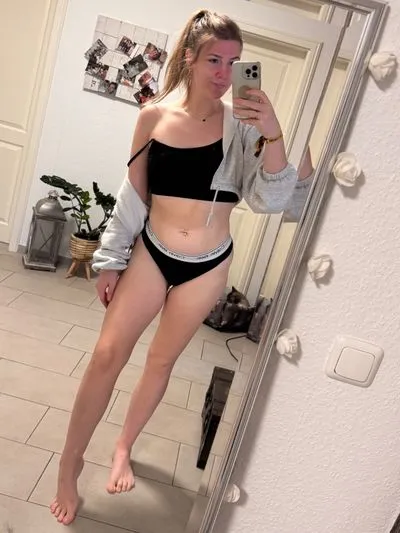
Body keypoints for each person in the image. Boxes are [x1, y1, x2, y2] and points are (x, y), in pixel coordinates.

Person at [50, 9, 312, 525]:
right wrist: (110, 261)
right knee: (106, 355)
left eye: (235, 62)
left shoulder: (244, 128)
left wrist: (273, 133)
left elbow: (272, 200)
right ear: (190, 58)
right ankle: (69, 463)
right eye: (214, 60)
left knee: (161, 362)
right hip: (152, 252)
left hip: (208, 265)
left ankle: (123, 447)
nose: (224, 73)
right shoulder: (153, 117)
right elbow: (133, 195)